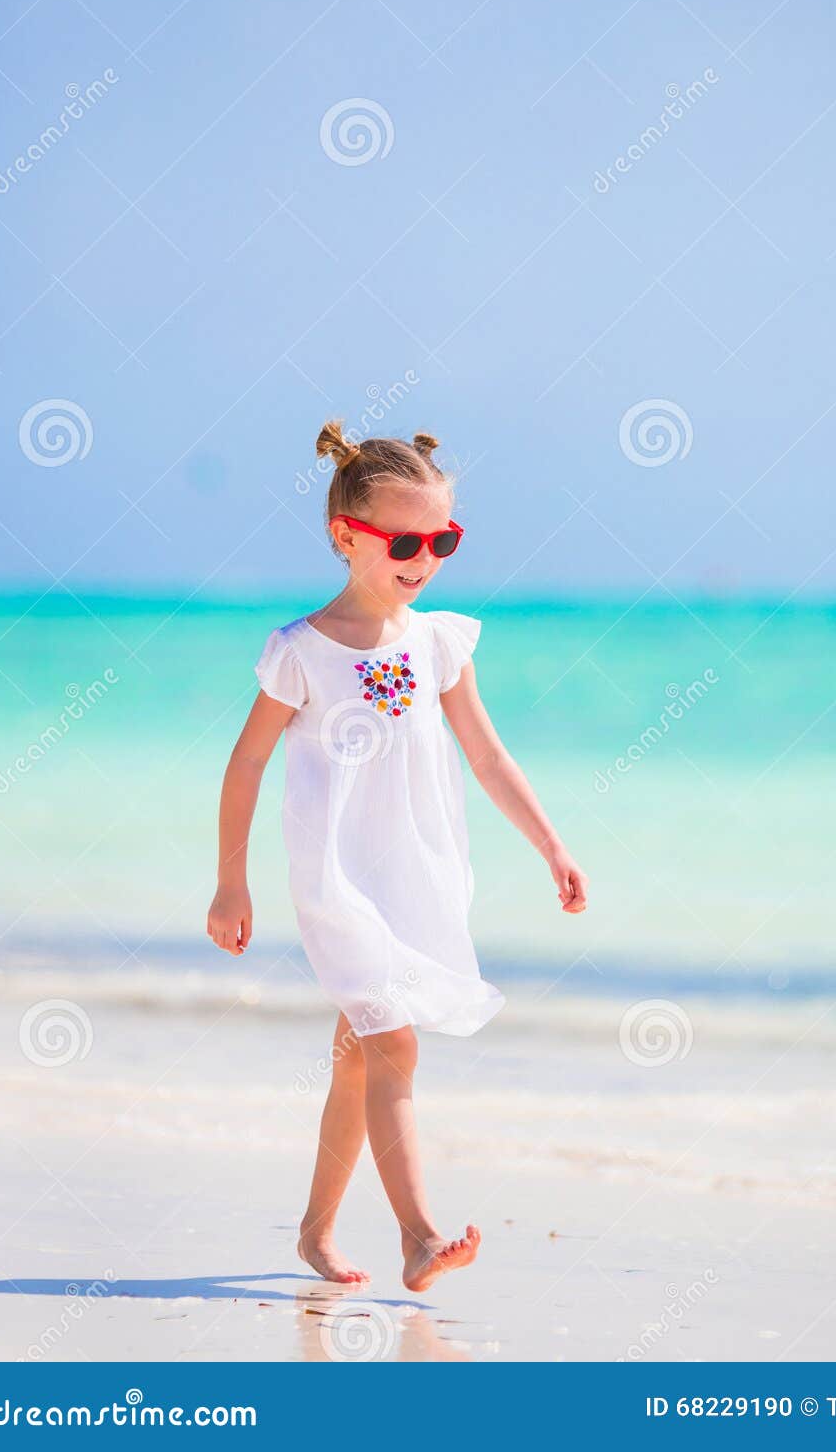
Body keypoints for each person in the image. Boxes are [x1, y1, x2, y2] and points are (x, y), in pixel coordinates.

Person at [207, 420, 588, 1291]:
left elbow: (488, 756)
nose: (425, 558)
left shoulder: (438, 642)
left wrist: (551, 846)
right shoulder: (300, 653)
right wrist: (231, 879)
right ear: (346, 536)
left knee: (361, 1052)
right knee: (396, 1047)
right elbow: (247, 762)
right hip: (337, 882)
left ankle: (314, 1232)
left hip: (416, 874)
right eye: (406, 541)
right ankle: (419, 1234)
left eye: (442, 540)